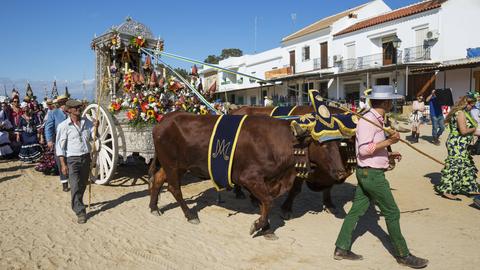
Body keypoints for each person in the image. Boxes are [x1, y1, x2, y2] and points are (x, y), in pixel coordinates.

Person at [334, 85, 428, 269]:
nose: (392, 103)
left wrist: (388, 154)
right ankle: (403, 255)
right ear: (385, 102)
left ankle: (341, 248)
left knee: (355, 211)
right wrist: (389, 142)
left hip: (368, 172)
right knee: (392, 212)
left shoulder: (376, 119)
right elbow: (363, 149)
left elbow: (370, 147)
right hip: (372, 175)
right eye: (391, 100)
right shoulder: (369, 120)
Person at [56, 100, 98, 224]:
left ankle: (78, 201)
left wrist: (96, 127)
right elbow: (60, 147)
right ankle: (80, 211)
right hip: (72, 160)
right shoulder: (63, 126)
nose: (78, 109)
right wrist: (63, 164)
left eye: (79, 107)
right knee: (74, 185)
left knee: (83, 184)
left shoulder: (87, 122)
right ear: (69, 110)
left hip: (86, 158)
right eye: (75, 107)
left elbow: (93, 136)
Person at [435, 95, 479, 200]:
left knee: (466, 165)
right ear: (467, 103)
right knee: (454, 166)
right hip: (457, 144)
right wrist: (473, 129)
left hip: (461, 144)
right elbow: (463, 131)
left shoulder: (462, 113)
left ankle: (470, 187)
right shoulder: (460, 114)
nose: (472, 108)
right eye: (471, 106)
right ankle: (447, 190)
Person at [44, 95, 69, 191]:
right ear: (59, 104)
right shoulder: (53, 113)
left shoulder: (71, 112)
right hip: (59, 141)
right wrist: (49, 140)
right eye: (62, 102)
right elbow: (48, 127)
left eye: (65, 102)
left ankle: (72, 179)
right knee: (61, 161)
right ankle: (64, 182)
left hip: (71, 141)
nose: (64, 104)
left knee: (71, 161)